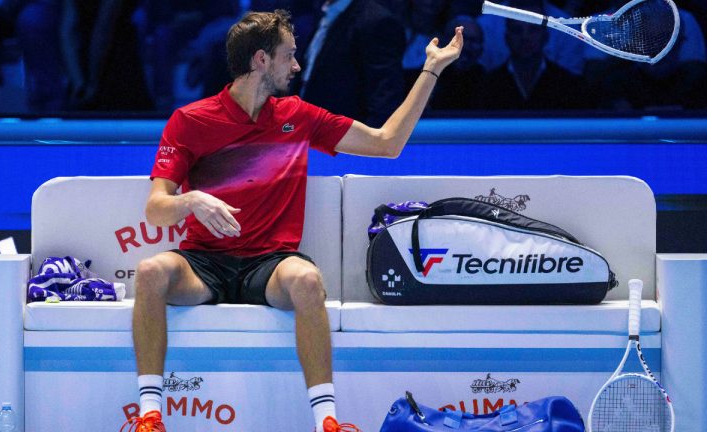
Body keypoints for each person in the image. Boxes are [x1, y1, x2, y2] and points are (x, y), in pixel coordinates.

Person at [124, 9, 464, 432]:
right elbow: (156, 207)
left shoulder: (298, 116)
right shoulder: (191, 120)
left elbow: (387, 143)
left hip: (270, 264)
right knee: (151, 271)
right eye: (290, 55)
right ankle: (150, 417)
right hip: (203, 262)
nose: (298, 66)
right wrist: (191, 200)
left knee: (306, 281)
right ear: (261, 60)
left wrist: (431, 69)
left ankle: (327, 423)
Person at [298, 0, 406, 127]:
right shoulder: (322, 15)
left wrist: (364, 143)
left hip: (339, 138)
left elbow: (385, 98)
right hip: (306, 133)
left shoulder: (376, 21)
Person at [478, 0, 587, 110]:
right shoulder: (488, 86)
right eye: (517, 30)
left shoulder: (567, 86)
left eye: (533, 29)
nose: (525, 37)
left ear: (545, 36)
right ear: (507, 38)